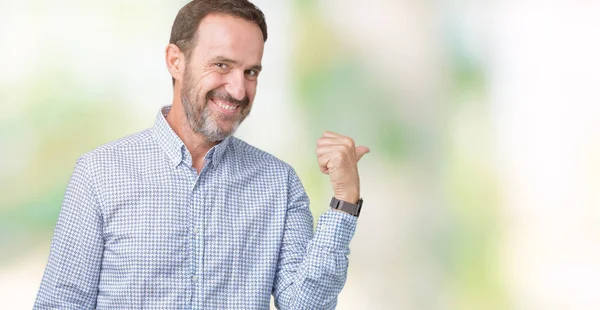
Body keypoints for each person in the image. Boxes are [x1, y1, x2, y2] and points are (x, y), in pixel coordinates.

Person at [33, 0, 369, 309]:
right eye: (222, 65)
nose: (238, 90)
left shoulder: (279, 184)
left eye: (251, 72)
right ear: (175, 61)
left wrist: (345, 201)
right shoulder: (99, 174)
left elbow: (304, 306)